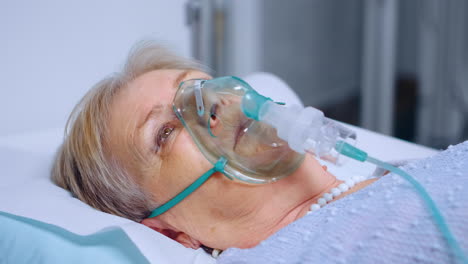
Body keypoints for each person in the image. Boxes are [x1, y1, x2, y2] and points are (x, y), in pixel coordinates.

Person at [52, 41, 467, 262]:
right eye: (164, 132)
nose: (213, 103)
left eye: (199, 85)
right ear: (168, 230)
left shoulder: (397, 172)